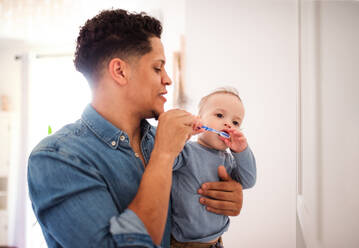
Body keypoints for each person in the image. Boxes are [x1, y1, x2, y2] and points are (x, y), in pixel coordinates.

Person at [27, 9, 243, 248]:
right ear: (120, 71)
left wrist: (225, 198)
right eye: (158, 68)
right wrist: (162, 155)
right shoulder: (56, 158)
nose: (168, 79)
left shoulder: (167, 142)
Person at [170, 88, 256, 248]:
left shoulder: (229, 160)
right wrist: (184, 134)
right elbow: (167, 160)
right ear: (200, 119)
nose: (228, 123)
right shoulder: (187, 151)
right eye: (219, 115)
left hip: (217, 242)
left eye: (236, 122)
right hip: (183, 243)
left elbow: (248, 181)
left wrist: (241, 150)